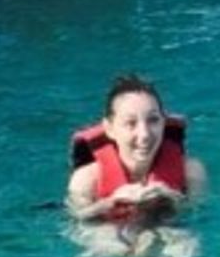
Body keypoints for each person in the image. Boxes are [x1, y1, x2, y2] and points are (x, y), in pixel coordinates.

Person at [68, 75, 206, 224]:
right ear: (109, 129)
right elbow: (76, 223)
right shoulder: (86, 180)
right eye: (131, 123)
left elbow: (197, 216)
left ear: (163, 123)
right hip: (109, 229)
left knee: (183, 244)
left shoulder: (191, 172)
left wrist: (172, 198)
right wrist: (110, 203)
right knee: (109, 243)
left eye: (153, 120)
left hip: (169, 225)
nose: (144, 134)